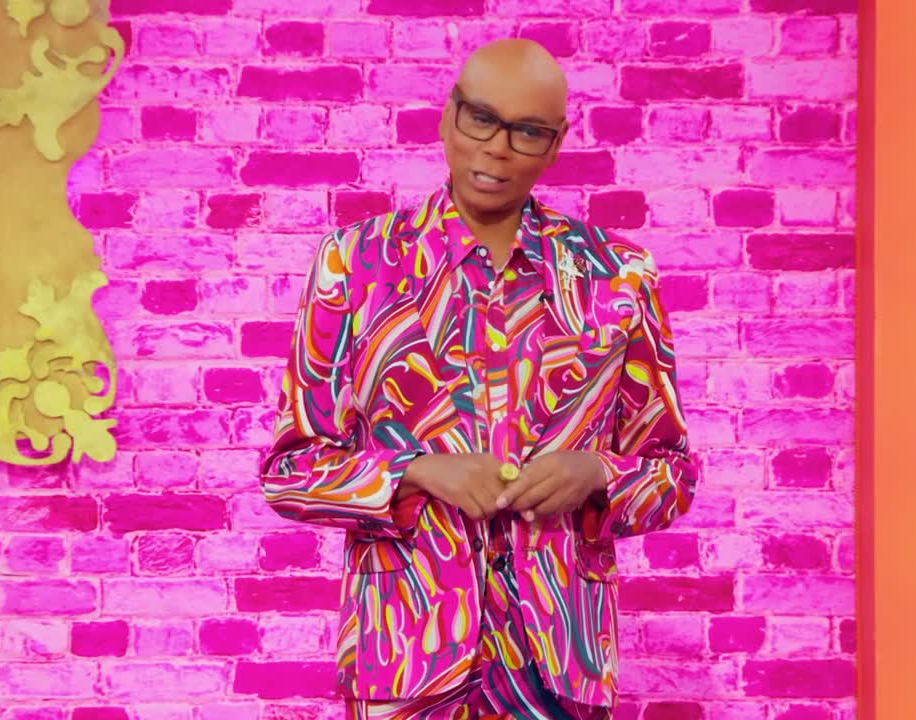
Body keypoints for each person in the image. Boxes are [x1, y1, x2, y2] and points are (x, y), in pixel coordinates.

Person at [260, 38, 696, 720]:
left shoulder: (618, 275)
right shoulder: (356, 263)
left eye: (528, 131)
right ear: (448, 116)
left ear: (555, 145)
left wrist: (596, 473)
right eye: (482, 119)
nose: (497, 148)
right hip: (404, 657)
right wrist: (415, 472)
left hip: (560, 666)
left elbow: (673, 474)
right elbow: (291, 472)